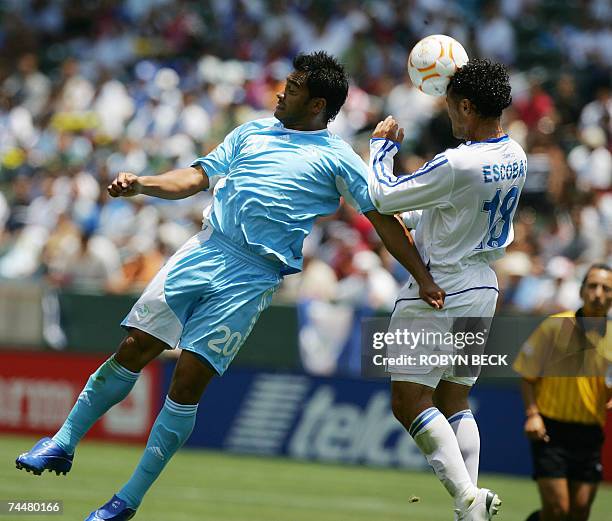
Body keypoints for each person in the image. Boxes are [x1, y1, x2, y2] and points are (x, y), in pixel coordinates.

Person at [15, 51, 444, 521]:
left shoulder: (338, 157)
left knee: (188, 379)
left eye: (294, 89)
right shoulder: (250, 132)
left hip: (252, 275)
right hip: (203, 250)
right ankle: (61, 442)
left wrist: (421, 277)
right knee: (135, 346)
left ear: (318, 103)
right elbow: (197, 177)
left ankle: (127, 500)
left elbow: (383, 219)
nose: (281, 92)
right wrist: (144, 183)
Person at [368, 59, 525, 521]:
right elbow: (453, 209)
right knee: (455, 397)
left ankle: (466, 497)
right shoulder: (514, 153)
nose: (450, 116)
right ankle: (469, 507)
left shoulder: (457, 161)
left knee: (409, 400)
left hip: (442, 287)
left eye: (453, 107)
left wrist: (380, 147)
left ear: (469, 107)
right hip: (482, 287)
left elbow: (381, 195)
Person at [514, 263, 612, 521]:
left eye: (606, 288)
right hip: (551, 431)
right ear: (581, 291)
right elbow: (527, 374)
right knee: (559, 510)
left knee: (579, 513)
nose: (598, 293)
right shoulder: (555, 326)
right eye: (592, 286)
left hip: (590, 434)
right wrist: (532, 414)